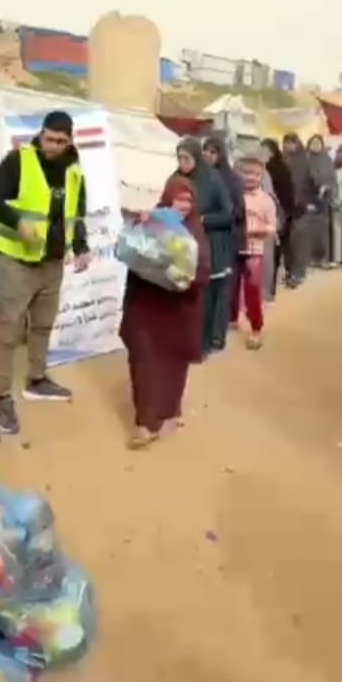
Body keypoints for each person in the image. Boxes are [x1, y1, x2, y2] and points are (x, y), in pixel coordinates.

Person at [0, 111, 90, 435]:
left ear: (70, 141)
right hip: (16, 260)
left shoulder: (74, 170)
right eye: (49, 138)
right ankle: (2, 395)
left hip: (52, 262)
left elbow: (77, 214)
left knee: (43, 324)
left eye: (60, 141)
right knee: (9, 328)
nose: (53, 146)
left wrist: (81, 246)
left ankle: (37, 378)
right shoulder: (18, 161)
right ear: (41, 134)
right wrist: (18, 222)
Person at [120, 176, 210, 449]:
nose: (182, 206)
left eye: (188, 200)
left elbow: (202, 271)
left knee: (173, 365)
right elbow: (132, 254)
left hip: (177, 312)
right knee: (143, 362)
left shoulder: (195, 231)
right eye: (177, 199)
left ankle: (170, 411)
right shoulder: (151, 222)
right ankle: (146, 423)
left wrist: (180, 275)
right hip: (146, 310)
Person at [174, 138, 233, 353]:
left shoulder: (212, 179)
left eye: (186, 158)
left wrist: (203, 220)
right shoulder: (176, 179)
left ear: (196, 158)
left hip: (211, 246)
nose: (182, 163)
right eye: (179, 158)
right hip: (185, 247)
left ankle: (206, 340)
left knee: (207, 298)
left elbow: (228, 214)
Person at [232, 157, 277, 348]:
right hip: (233, 249)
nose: (251, 177)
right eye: (247, 173)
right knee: (230, 288)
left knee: (252, 291)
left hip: (254, 251)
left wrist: (256, 231)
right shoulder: (233, 196)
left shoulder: (266, 200)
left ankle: (256, 329)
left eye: (256, 174)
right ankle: (231, 320)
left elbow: (272, 227)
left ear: (261, 176)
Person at [202, 133, 246, 326]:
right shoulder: (200, 176)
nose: (208, 155)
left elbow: (238, 210)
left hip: (227, 235)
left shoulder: (232, 179)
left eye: (212, 152)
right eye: (205, 151)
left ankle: (226, 319)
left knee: (226, 281)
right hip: (206, 234)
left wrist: (216, 218)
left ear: (221, 154)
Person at [281, 134, 316, 287]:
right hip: (286, 206)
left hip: (302, 206)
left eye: (291, 143)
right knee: (287, 242)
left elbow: (314, 183)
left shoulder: (306, 161)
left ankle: (298, 273)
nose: (288, 146)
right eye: (286, 143)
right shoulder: (282, 160)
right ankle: (290, 271)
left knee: (298, 241)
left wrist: (311, 202)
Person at [262, 138, 294, 297]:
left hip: (278, 214)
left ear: (272, 152)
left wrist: (282, 213)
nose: (262, 153)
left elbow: (287, 193)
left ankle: (271, 288)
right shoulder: (260, 169)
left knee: (274, 252)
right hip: (265, 214)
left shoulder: (279, 169)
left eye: (265, 150)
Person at [305, 135, 336, 267]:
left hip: (325, 200)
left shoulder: (327, 159)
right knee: (310, 231)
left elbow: (333, 179)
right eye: (313, 143)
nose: (316, 145)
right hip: (310, 199)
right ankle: (310, 259)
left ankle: (324, 258)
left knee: (323, 232)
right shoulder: (305, 159)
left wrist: (327, 187)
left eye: (318, 143)